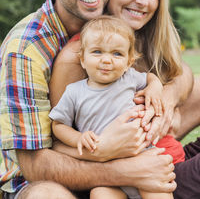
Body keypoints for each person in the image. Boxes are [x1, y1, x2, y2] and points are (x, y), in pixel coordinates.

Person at [0, 0, 177, 199]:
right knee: (47, 195)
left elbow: (182, 75)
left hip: (106, 153)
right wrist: (126, 169)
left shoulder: (110, 21)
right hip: (35, 179)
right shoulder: (24, 50)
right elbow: (34, 166)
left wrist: (166, 96)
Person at [49, 0, 200, 199]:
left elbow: (182, 70)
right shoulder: (80, 58)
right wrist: (101, 151)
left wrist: (165, 94)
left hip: (168, 157)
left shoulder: (140, 42)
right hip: (144, 177)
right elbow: (58, 141)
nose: (143, 0)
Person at [49, 15, 186, 199]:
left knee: (158, 190)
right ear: (82, 59)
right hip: (108, 172)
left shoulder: (128, 77)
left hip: (143, 159)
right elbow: (58, 125)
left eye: (117, 54)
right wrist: (78, 138)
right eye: (97, 52)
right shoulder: (74, 92)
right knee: (100, 194)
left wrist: (155, 87)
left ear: (129, 62)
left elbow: (150, 77)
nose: (107, 60)